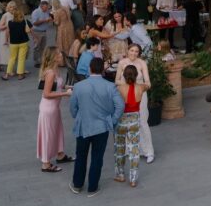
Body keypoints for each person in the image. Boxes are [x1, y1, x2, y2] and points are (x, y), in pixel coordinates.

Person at [69, 58, 124, 197]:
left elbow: (73, 108)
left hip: (83, 126)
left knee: (81, 156)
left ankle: (77, 185)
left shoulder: (79, 86)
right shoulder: (110, 86)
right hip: (102, 127)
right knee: (97, 157)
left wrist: (79, 116)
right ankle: (93, 187)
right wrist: (112, 120)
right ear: (103, 70)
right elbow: (120, 106)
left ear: (90, 69)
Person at [115, 43, 155, 163]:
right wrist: (127, 86)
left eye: (136, 51)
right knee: (126, 121)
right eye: (131, 50)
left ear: (139, 53)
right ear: (127, 51)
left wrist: (138, 87)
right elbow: (116, 80)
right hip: (125, 95)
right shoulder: (122, 63)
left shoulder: (142, 63)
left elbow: (148, 83)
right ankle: (130, 148)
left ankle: (149, 151)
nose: (133, 53)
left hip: (139, 95)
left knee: (142, 121)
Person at [112, 64, 150, 187]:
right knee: (134, 150)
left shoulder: (118, 88)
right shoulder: (141, 88)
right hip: (134, 121)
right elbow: (148, 85)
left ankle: (120, 174)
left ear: (123, 75)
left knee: (120, 149)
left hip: (121, 120)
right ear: (136, 76)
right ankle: (133, 179)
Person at [37, 48, 74, 172]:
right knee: (49, 134)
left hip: (54, 107)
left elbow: (58, 85)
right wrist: (65, 94)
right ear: (54, 57)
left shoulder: (55, 69)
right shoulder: (50, 73)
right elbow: (46, 93)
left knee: (57, 131)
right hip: (48, 108)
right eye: (58, 53)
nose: (61, 55)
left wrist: (70, 87)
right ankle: (46, 163)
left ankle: (60, 154)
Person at [30, 0, 53, 69]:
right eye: (45, 8)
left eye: (47, 8)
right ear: (41, 6)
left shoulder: (47, 12)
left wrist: (51, 20)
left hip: (45, 31)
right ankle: (37, 62)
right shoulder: (35, 12)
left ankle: (43, 61)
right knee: (37, 47)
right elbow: (34, 23)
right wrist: (45, 20)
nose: (46, 9)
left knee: (44, 47)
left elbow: (50, 19)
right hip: (37, 32)